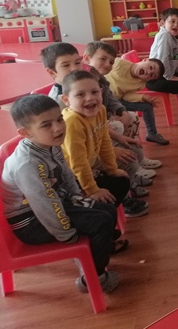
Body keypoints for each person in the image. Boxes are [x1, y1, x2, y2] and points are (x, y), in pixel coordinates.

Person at [1, 95, 121, 294]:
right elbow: (44, 204)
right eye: (46, 125)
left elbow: (66, 174)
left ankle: (100, 245)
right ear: (25, 133)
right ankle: (93, 278)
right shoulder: (28, 164)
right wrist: (66, 234)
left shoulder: (48, 143)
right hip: (32, 223)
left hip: (54, 204)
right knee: (100, 222)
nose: (58, 128)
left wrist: (77, 197)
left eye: (59, 119)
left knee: (107, 209)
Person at [59, 70, 144, 218]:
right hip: (70, 178)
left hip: (89, 165)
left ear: (101, 91)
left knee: (121, 179)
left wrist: (112, 170)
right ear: (66, 100)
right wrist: (92, 190)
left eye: (94, 92)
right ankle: (94, 213)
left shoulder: (100, 110)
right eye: (80, 94)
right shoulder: (72, 122)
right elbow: (78, 162)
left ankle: (106, 211)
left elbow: (104, 142)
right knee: (108, 199)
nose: (90, 98)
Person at [83, 41, 160, 200]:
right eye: (102, 59)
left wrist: (121, 111)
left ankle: (135, 164)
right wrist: (112, 116)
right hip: (97, 127)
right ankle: (126, 165)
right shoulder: (85, 82)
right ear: (87, 58)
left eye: (110, 61)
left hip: (107, 114)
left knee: (131, 117)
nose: (107, 64)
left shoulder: (102, 80)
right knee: (118, 126)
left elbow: (111, 98)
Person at [106, 54, 169, 145]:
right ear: (145, 60)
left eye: (151, 75)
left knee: (147, 106)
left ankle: (152, 134)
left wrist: (143, 97)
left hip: (117, 100)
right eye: (151, 67)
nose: (148, 72)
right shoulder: (120, 63)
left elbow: (127, 96)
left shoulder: (140, 83)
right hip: (104, 96)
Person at [40, 42, 83, 110]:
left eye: (77, 63)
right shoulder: (57, 103)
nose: (75, 68)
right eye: (66, 65)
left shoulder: (84, 84)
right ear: (52, 73)